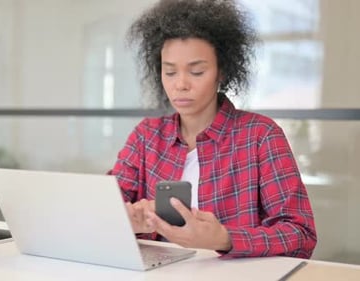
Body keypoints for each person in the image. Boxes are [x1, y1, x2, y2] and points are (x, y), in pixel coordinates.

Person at [109, 0, 317, 258]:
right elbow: (103, 206)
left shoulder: (261, 136)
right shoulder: (146, 136)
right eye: (170, 72)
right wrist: (128, 222)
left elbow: (301, 234)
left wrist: (224, 238)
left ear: (222, 71)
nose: (181, 84)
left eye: (196, 72)